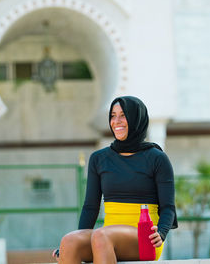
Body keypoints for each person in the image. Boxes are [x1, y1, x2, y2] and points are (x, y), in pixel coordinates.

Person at [53, 96, 177, 263]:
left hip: (145, 238)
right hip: (104, 238)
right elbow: (90, 206)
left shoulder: (157, 158)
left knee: (102, 235)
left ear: (136, 118)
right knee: (69, 242)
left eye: (123, 115)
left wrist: (161, 233)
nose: (116, 121)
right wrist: (79, 240)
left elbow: (168, 207)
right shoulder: (99, 158)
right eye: (113, 115)